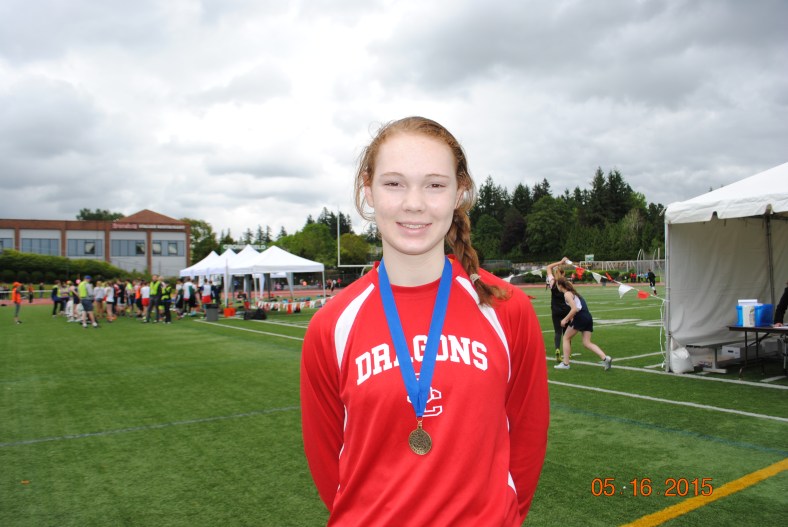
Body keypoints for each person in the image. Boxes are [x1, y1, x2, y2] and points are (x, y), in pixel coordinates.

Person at [300, 116, 549, 525]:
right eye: (394, 183)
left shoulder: (506, 309)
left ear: (459, 193)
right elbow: (329, 465)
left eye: (434, 185)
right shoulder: (331, 326)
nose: (414, 203)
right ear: (368, 192)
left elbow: (527, 439)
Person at [554, 277, 612, 370]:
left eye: (557, 285)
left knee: (566, 338)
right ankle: (605, 358)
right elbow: (577, 307)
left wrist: (565, 319)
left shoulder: (567, 294)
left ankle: (565, 364)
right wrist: (572, 318)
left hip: (581, 317)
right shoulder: (573, 293)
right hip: (587, 317)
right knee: (586, 343)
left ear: (560, 285)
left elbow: (574, 309)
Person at [546, 257, 572, 362]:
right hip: (566, 310)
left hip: (555, 310)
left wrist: (560, 262)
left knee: (557, 332)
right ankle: (567, 353)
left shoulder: (553, 282)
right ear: (564, 274)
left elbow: (548, 267)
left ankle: (557, 349)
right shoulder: (567, 283)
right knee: (567, 333)